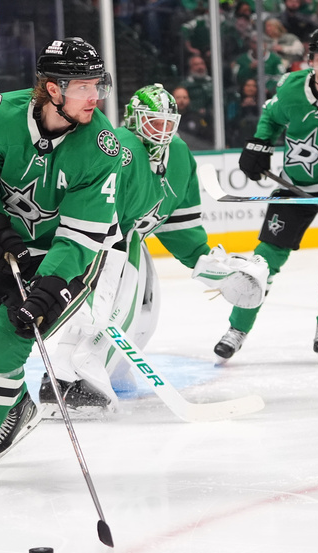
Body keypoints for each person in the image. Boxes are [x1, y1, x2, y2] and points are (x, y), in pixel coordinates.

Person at [0, 37, 120, 487]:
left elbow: (79, 236)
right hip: (8, 247)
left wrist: (49, 287)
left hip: (65, 258)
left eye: (98, 85)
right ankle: (17, 407)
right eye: (84, 86)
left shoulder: (101, 146)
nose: (96, 96)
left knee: (3, 340)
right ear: (53, 90)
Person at [42, 84, 268, 409]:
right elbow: (92, 210)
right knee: (103, 308)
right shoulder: (120, 147)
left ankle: (114, 374)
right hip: (93, 237)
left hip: (129, 238)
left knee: (144, 317)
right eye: (153, 121)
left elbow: (181, 228)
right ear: (134, 119)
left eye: (166, 122)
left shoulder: (178, 155)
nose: (161, 130)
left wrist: (210, 265)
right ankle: (68, 377)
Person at [214, 29, 318, 363]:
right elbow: (271, 118)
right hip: (296, 183)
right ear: (310, 60)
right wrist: (260, 143)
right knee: (266, 258)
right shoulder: (291, 87)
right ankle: (236, 330)